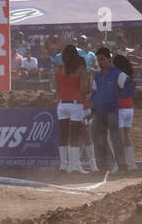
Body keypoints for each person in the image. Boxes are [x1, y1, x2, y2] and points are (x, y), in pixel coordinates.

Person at [90, 47, 130, 175]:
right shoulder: (97, 77)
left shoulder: (117, 74)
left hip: (112, 110)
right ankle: (103, 166)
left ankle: (122, 165)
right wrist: (92, 110)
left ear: (109, 59)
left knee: (116, 137)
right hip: (99, 111)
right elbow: (94, 94)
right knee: (99, 138)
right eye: (98, 60)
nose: (100, 62)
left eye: (102, 59)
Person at [55, 42, 90, 173]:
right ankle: (75, 165)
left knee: (63, 135)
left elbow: (57, 89)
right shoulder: (80, 69)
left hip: (62, 103)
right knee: (74, 135)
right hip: (76, 104)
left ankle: (63, 164)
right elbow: (83, 89)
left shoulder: (58, 70)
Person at [113, 53, 138, 170]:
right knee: (126, 138)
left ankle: (118, 164)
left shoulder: (118, 75)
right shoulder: (128, 74)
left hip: (121, 108)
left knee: (118, 138)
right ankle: (132, 164)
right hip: (129, 108)